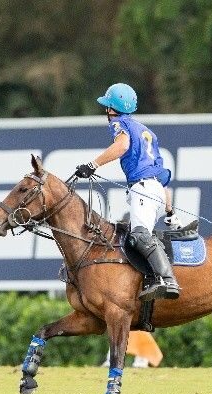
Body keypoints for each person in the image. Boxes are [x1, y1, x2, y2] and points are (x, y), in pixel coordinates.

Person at [74, 82, 180, 300]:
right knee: (138, 234)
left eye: (107, 107)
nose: (106, 112)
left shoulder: (119, 123)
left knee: (139, 236)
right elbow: (160, 176)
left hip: (143, 189)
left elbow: (121, 147)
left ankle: (167, 279)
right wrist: (170, 212)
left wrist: (92, 165)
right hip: (158, 191)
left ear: (112, 108)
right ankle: (150, 278)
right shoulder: (146, 131)